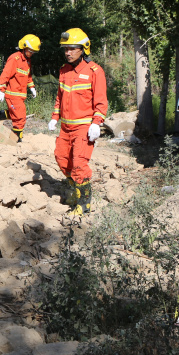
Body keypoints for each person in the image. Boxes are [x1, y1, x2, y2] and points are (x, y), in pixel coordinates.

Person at [48, 28, 108, 215]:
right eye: (65, 49)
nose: (68, 52)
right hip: (66, 127)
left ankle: (84, 203)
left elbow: (101, 100)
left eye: (72, 48)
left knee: (79, 164)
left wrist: (96, 122)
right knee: (61, 158)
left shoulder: (94, 71)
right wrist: (54, 117)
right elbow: (60, 97)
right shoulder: (64, 71)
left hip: (83, 127)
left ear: (83, 49)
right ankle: (74, 189)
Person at [0, 34, 41, 142]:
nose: (31, 53)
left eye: (33, 52)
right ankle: (17, 139)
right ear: (24, 47)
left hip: (20, 95)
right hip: (12, 94)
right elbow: (6, 73)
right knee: (20, 117)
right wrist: (1, 90)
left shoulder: (27, 61)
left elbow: (28, 76)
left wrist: (32, 87)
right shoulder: (15, 58)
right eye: (30, 51)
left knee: (15, 114)